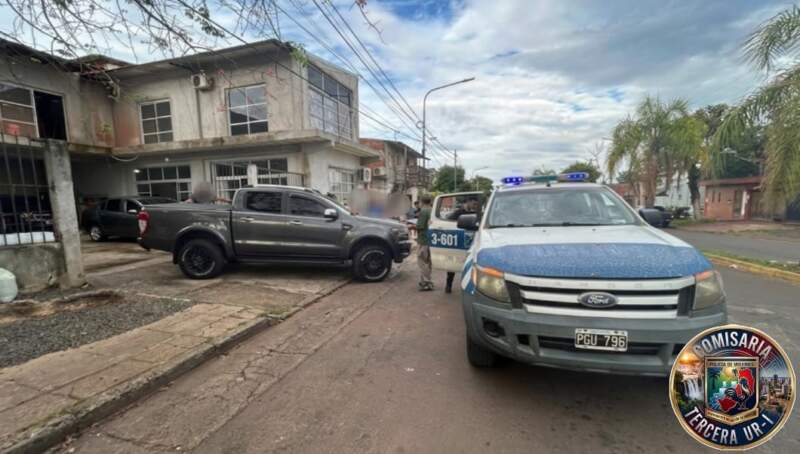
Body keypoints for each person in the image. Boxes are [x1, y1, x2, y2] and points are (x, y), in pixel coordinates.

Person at [445, 197, 481, 293]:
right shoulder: (458, 213)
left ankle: (471, 288)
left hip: (472, 243)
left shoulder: (478, 213)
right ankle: (448, 285)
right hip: (459, 241)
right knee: (452, 264)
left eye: (476, 205)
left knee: (472, 265)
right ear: (468, 202)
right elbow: (447, 223)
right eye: (473, 204)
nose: (475, 206)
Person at [416, 195, 434, 291]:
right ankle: (427, 281)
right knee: (428, 262)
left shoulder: (423, 211)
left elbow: (420, 226)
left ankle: (426, 283)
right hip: (430, 239)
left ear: (421, 202)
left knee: (422, 261)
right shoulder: (432, 210)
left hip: (423, 239)